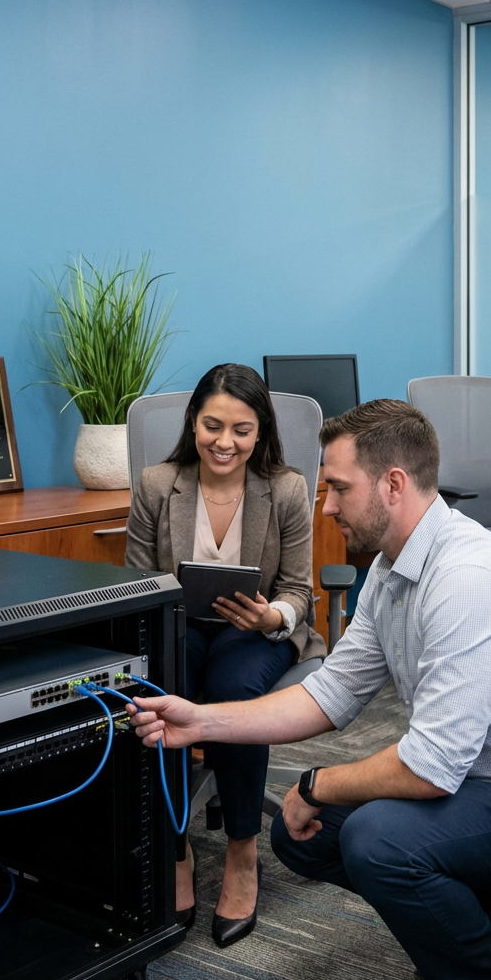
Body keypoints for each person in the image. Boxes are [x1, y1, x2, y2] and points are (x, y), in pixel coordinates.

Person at [128, 399, 491, 980]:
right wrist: (200, 723)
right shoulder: (390, 566)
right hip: (478, 783)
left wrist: (315, 784)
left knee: (374, 839)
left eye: (338, 489)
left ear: (393, 484)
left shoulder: (465, 578)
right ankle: (474, 925)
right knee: (303, 834)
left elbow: (428, 768)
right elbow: (328, 695)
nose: (326, 507)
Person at [125, 363, 324, 947]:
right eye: (213, 425)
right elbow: (136, 583)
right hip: (177, 625)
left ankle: (241, 853)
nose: (224, 442)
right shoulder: (158, 484)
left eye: (241, 429)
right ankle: (177, 847)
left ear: (260, 432)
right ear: (194, 423)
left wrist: (273, 617)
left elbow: (297, 590)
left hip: (253, 633)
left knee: (235, 691)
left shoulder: (284, 489)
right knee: (162, 691)